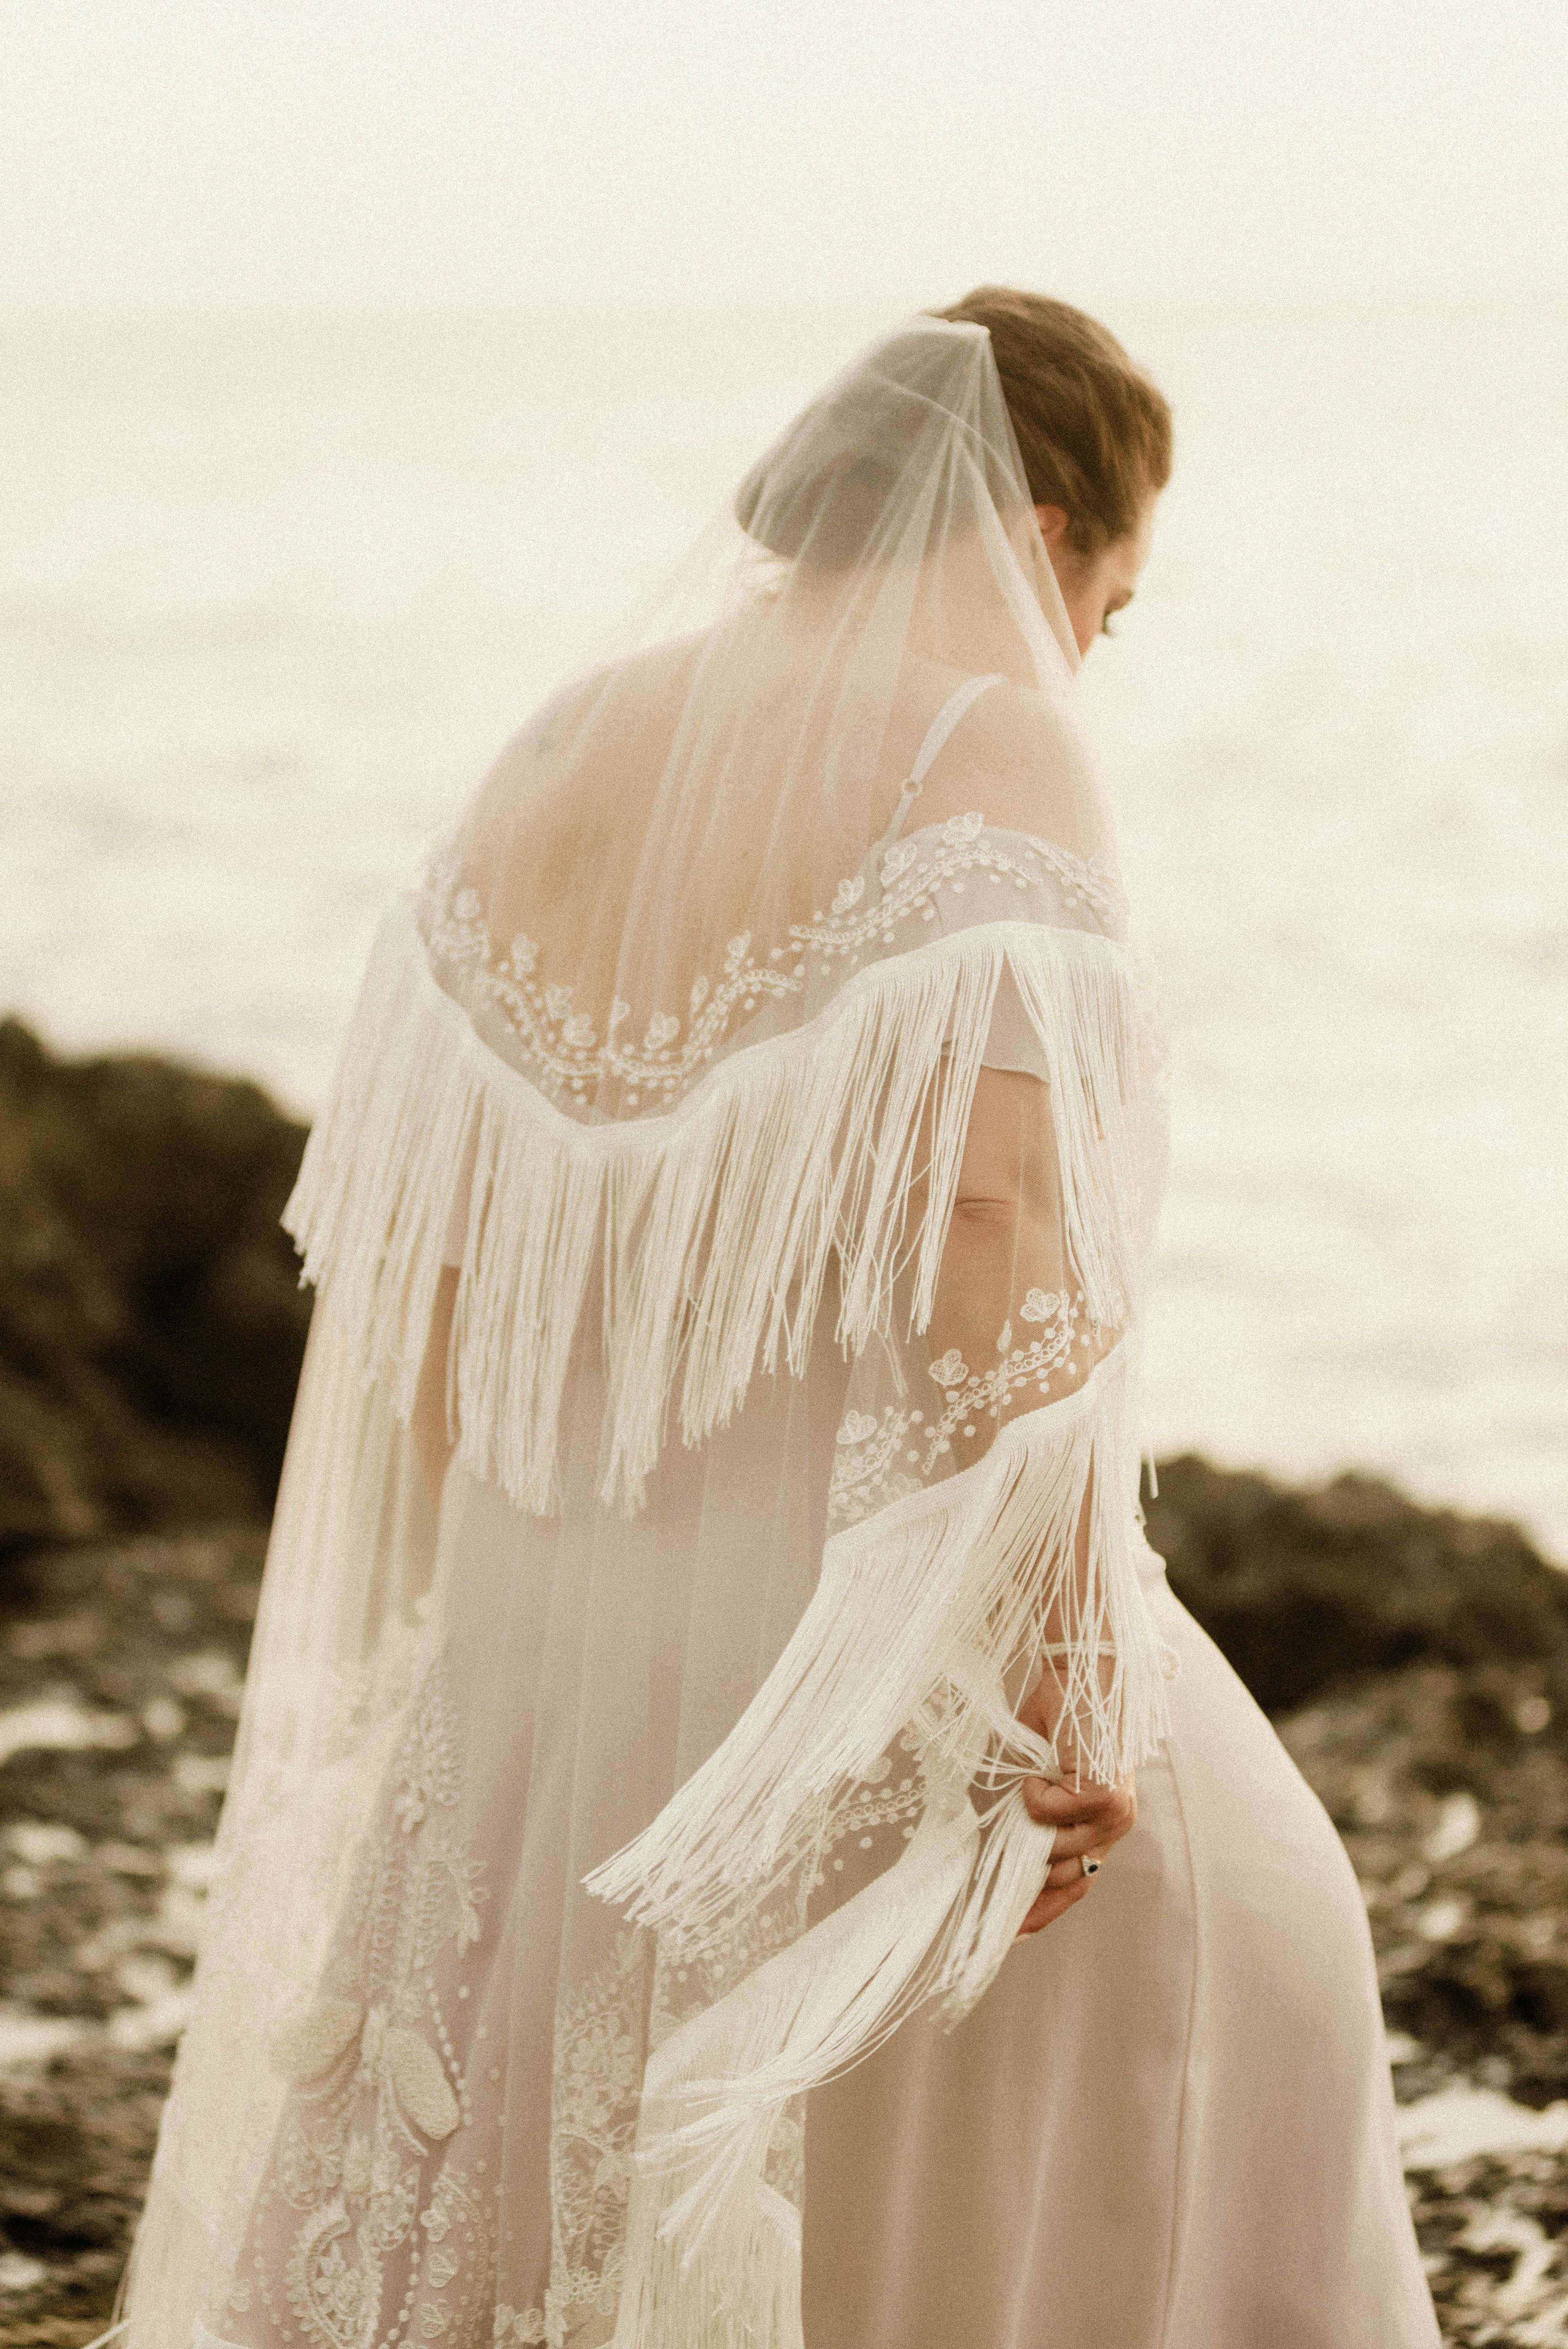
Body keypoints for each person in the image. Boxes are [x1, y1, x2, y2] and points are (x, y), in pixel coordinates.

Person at [118, 289, 1440, 2348]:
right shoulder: (984, 735)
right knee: (1254, 1935)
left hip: (551, 1616)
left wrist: (518, 1612)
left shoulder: (557, 742)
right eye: (1118, 589)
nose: (1095, 639)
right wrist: (1059, 1649)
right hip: (849, 1619)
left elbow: (431, 1247)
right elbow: (991, 1206)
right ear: (1044, 515)